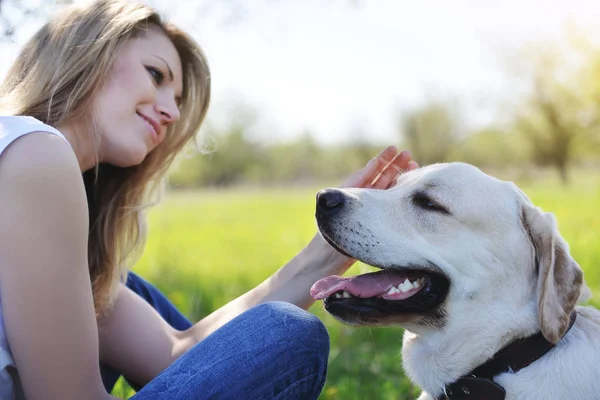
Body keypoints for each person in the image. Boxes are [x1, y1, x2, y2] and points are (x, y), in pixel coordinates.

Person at [0, 1, 418, 399]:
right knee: (286, 337)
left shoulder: (31, 163)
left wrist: (325, 254)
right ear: (85, 51)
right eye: (156, 74)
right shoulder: (38, 151)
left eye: (178, 101)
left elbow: (175, 354)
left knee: (121, 285)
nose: (170, 113)